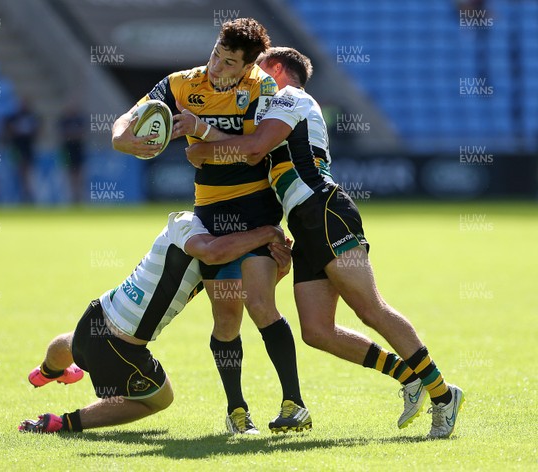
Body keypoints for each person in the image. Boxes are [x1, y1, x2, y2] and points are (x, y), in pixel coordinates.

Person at [186, 47, 465, 439]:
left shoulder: (289, 97)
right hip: (305, 220)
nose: (253, 77)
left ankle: (442, 393)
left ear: (278, 69)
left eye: (259, 68)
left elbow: (251, 150)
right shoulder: (276, 108)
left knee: (370, 308)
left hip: (324, 209)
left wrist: (200, 147)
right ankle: (408, 376)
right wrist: (202, 136)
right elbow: (247, 147)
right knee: (317, 330)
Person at [111, 18, 310, 434]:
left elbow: (254, 154)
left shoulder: (262, 89)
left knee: (261, 305)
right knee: (226, 319)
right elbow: (128, 119)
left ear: (247, 67)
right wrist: (122, 139)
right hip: (212, 215)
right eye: (216, 55)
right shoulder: (182, 84)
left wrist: (202, 137)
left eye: (229, 63)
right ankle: (237, 412)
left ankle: (294, 403)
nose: (216, 67)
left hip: (258, 212)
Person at [18, 211, 291, 433]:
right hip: (120, 347)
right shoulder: (187, 224)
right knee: (160, 398)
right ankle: (63, 423)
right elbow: (213, 253)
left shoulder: (221, 246)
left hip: (99, 312)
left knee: (72, 342)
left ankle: (47, 372)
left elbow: (246, 296)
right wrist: (267, 233)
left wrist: (277, 269)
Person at [3, 98, 41, 203]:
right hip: (16, 148)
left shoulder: (32, 117)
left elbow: (37, 131)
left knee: (27, 173)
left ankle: (27, 195)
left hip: (28, 148)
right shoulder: (13, 117)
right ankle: (24, 195)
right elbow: (7, 130)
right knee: (19, 172)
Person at [58, 102, 86, 204]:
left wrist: (72, 135)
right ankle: (70, 198)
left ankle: (79, 197)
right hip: (67, 150)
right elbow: (62, 134)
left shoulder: (79, 119)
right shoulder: (64, 120)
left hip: (78, 149)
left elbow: (81, 134)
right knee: (68, 174)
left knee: (79, 174)